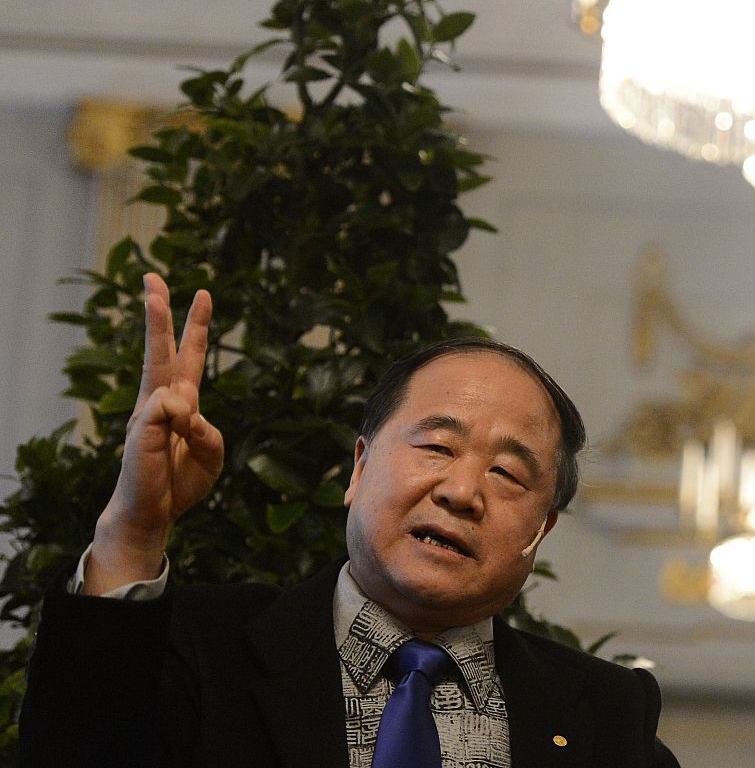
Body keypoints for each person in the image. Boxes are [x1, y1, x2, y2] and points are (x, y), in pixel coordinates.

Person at [21, 273, 679, 768]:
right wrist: (134, 530)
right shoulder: (200, 647)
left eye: (507, 473)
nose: (461, 490)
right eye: (437, 446)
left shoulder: (606, 714)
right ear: (359, 468)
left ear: (542, 528)